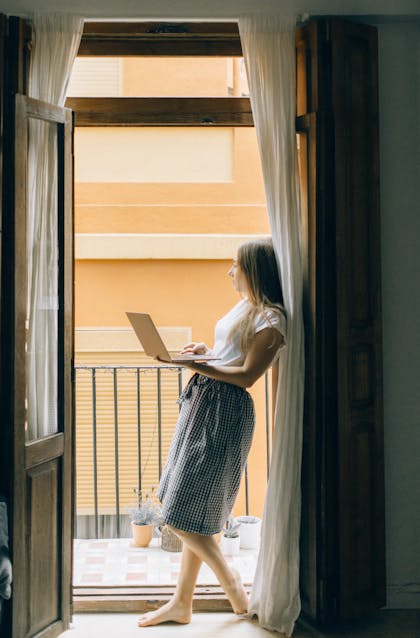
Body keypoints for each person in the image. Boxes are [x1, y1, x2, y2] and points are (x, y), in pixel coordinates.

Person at [138, 237, 286, 628]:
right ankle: (181, 602)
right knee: (186, 504)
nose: (229, 271)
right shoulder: (246, 308)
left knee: (179, 513)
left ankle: (234, 586)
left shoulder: (272, 319)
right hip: (203, 405)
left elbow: (249, 376)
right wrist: (206, 352)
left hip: (225, 413)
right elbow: (231, 355)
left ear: (254, 270)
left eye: (236, 264)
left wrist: (194, 365)